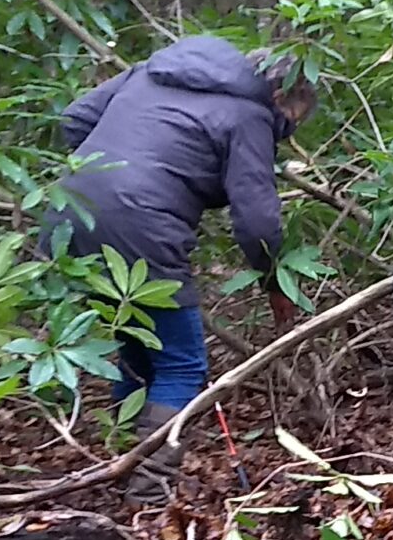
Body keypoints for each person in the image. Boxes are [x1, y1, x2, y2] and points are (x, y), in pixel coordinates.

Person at [47, 37, 317, 503]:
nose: (284, 134)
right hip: (139, 223)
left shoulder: (152, 71)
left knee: (137, 345)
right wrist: (274, 282)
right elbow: (257, 222)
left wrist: (114, 173)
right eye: (290, 123)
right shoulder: (249, 114)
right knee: (181, 361)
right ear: (281, 97)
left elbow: (75, 119)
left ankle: (119, 468)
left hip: (69, 213)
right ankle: (148, 492)